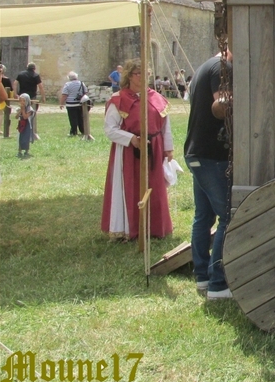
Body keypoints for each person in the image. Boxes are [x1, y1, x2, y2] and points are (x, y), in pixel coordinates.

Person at [101, 59, 174, 241]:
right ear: (129, 76)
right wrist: (131, 139)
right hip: (128, 153)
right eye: (138, 73)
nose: (142, 77)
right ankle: (129, 229)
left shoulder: (156, 98)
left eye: (145, 73)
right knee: (130, 187)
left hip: (154, 149)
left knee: (154, 188)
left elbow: (165, 126)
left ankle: (155, 229)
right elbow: (110, 129)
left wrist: (168, 148)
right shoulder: (119, 100)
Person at [185, 49, 233, 300]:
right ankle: (217, 284)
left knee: (203, 217)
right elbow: (221, 104)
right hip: (210, 156)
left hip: (197, 153)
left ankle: (202, 277)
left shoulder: (206, 67)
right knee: (228, 217)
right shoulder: (221, 68)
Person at [13, 62, 45, 140]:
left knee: (21, 112)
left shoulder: (21, 74)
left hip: (22, 97)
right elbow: (40, 86)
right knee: (32, 114)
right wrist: (43, 97)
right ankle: (32, 132)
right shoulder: (35, 75)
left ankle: (22, 129)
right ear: (34, 68)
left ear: (27, 67)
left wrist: (15, 93)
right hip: (32, 97)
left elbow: (15, 83)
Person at [58, 71, 87, 136]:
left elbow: (64, 95)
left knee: (73, 118)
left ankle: (73, 132)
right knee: (80, 118)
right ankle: (83, 130)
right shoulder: (82, 83)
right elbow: (85, 92)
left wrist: (61, 103)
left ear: (69, 78)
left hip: (71, 104)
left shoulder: (67, 84)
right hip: (80, 103)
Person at [16, 93, 35, 159]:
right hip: (21, 125)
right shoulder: (20, 108)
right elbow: (16, 117)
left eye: (23, 101)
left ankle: (26, 151)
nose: (22, 102)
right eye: (20, 101)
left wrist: (23, 110)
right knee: (19, 138)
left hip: (27, 125)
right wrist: (20, 110)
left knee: (26, 138)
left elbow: (25, 117)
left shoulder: (30, 109)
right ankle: (19, 151)